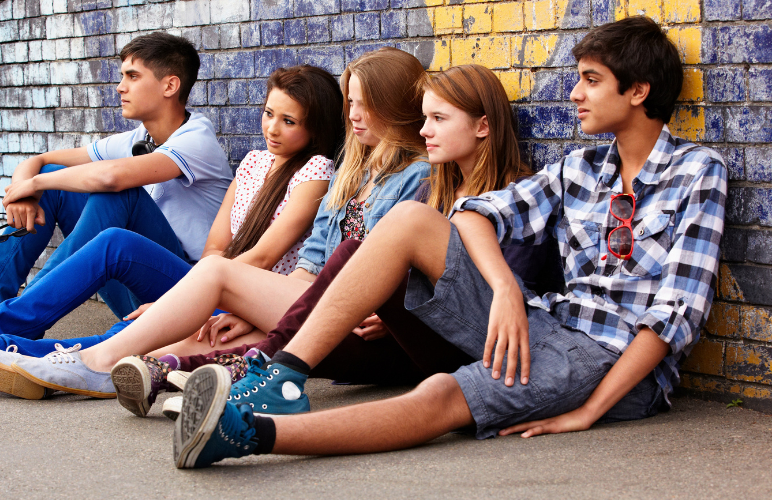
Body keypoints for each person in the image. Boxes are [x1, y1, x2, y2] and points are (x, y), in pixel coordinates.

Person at [170, 16, 729, 469]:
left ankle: (249, 435)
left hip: (611, 358)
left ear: (638, 91)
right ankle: (281, 376)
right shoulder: (579, 168)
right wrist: (506, 290)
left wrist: (592, 409)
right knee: (412, 220)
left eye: (590, 79)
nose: (575, 92)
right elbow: (473, 214)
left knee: (441, 394)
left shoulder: (699, 172)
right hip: (549, 321)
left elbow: (675, 314)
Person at [4, 47, 433, 409]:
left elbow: (414, 272)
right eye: (350, 104)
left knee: (209, 276)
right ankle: (64, 366)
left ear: (394, 104)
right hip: (314, 304)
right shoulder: (349, 174)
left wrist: (240, 300)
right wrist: (253, 309)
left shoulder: (417, 176)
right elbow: (311, 264)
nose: (354, 116)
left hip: (362, 326)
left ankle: (71, 356)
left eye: (364, 104)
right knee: (182, 343)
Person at [160, 63, 565, 415]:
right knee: (329, 328)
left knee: (354, 250)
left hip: (469, 352)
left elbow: (500, 302)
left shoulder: (519, 197)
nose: (424, 130)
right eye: (425, 118)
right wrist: (391, 311)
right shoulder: (436, 190)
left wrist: (397, 305)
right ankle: (185, 371)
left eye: (439, 119)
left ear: (482, 126)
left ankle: (253, 372)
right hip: (409, 350)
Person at [0, 65, 343, 401]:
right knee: (111, 238)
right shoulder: (253, 162)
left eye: (289, 121)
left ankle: (5, 347)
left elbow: (264, 258)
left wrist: (181, 299)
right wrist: (185, 297)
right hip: (209, 280)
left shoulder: (315, 172)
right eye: (269, 114)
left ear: (314, 129)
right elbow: (218, 246)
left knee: (124, 280)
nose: (272, 128)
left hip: (247, 296)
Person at [0, 32, 232, 376]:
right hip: (138, 288)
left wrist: (35, 182)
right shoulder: (140, 139)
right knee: (55, 180)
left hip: (184, 290)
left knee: (117, 193)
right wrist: (28, 186)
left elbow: (110, 179)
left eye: (133, 77)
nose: (121, 87)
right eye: (122, 76)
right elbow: (43, 160)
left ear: (170, 86)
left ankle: (4, 328)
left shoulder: (197, 140)